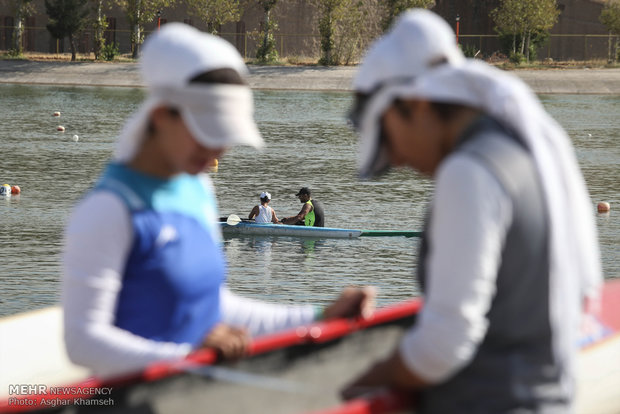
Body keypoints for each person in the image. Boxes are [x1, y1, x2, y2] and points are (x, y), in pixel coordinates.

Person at [61, 23, 375, 380]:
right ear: (162, 116)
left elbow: (215, 309)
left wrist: (319, 315)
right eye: (207, 134)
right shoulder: (105, 211)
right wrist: (189, 355)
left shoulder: (198, 190)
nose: (218, 152)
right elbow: (82, 342)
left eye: (225, 137)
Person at [341, 9, 602, 413]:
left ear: (418, 104)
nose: (396, 159)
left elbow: (445, 342)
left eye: (389, 139)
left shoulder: (469, 171)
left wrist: (355, 383)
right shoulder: (519, 151)